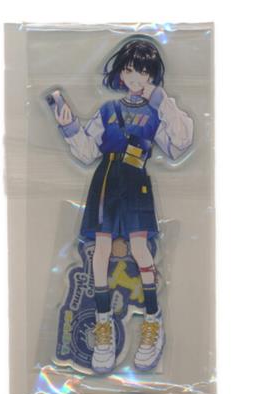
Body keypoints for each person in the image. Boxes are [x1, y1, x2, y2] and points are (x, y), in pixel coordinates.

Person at [52, 37, 194, 373]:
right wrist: (68, 125)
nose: (136, 78)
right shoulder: (107, 111)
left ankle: (152, 320)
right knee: (100, 253)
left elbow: (180, 142)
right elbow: (88, 152)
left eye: (143, 72)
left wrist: (163, 102)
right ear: (121, 73)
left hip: (135, 183)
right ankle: (103, 327)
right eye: (130, 70)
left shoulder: (156, 112)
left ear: (153, 76)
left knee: (141, 251)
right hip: (104, 183)